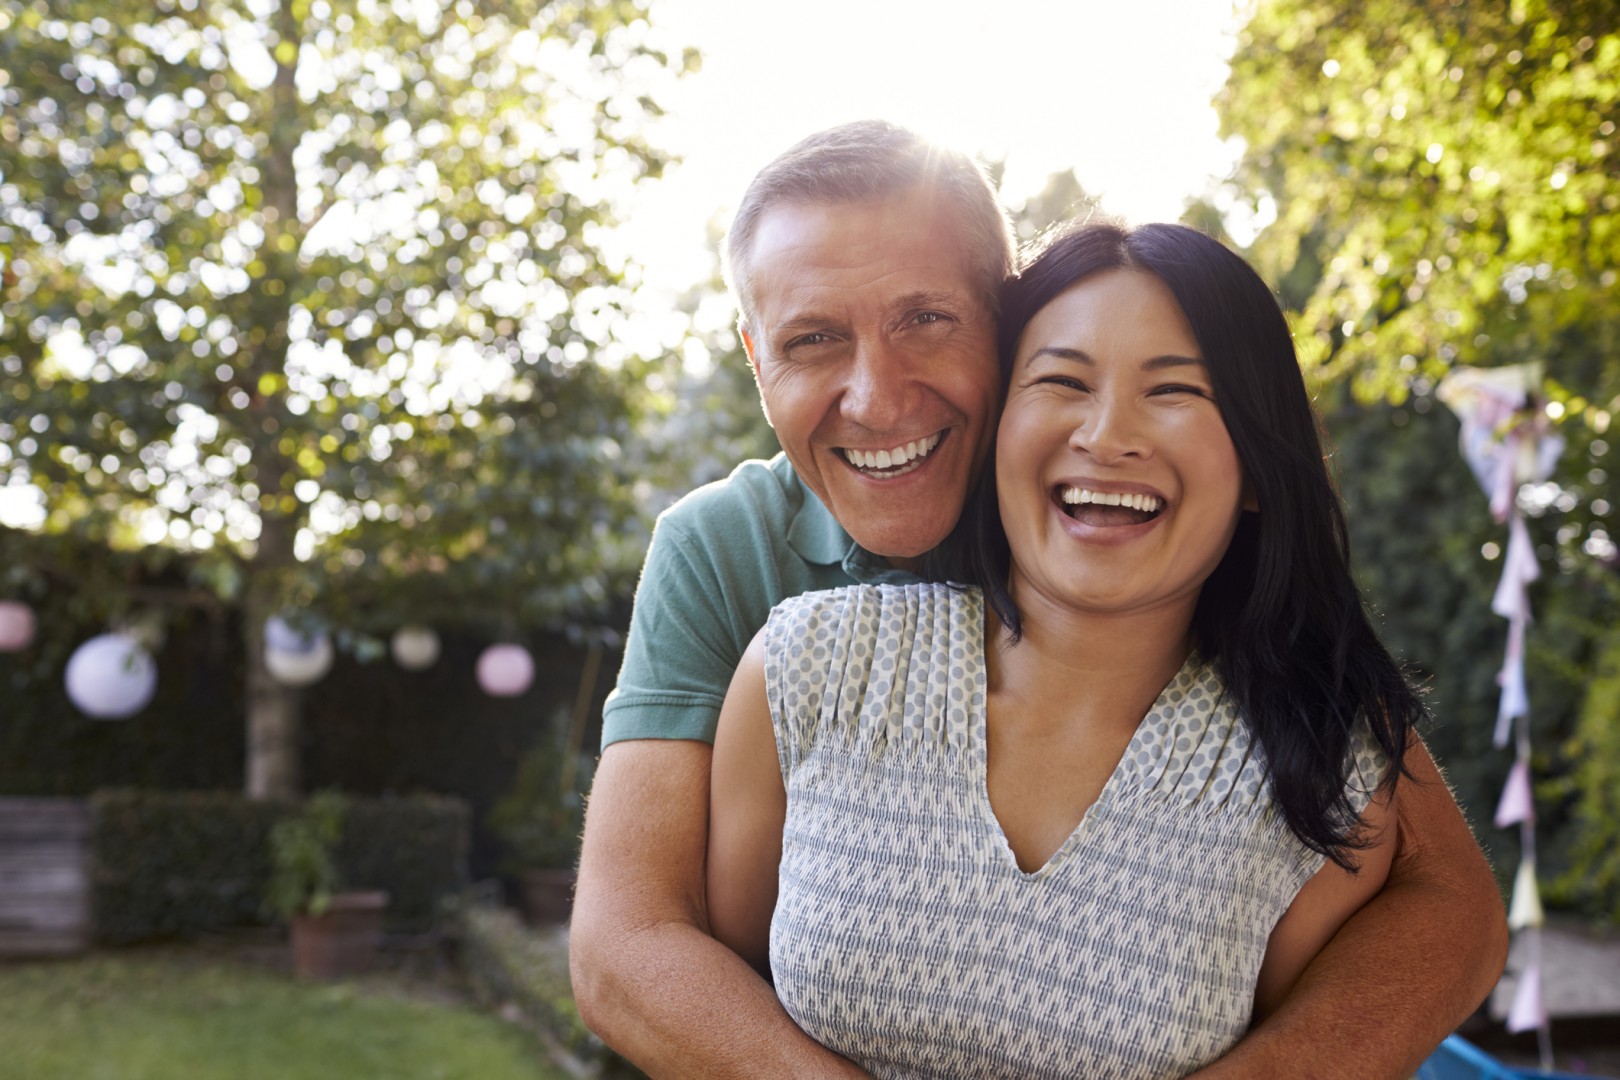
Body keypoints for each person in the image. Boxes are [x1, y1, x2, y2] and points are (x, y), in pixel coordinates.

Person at [570, 121, 1508, 1078]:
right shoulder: (736, 564)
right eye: (811, 339)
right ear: (755, 357)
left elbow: (1448, 903)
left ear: (1005, 320)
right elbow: (627, 945)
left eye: (925, 319)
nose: (879, 398)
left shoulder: (1122, 514)